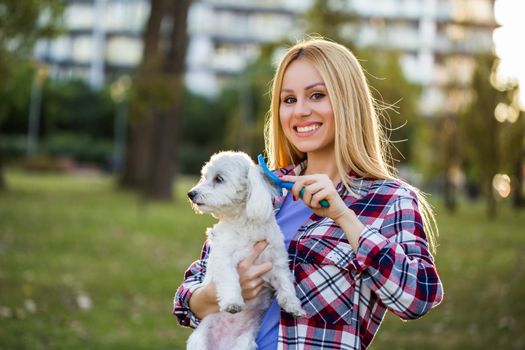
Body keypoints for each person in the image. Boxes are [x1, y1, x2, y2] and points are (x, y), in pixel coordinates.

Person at [173, 37, 443, 350]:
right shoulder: (264, 189)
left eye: (316, 95)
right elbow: (188, 295)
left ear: (346, 101)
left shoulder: (390, 200)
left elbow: (418, 298)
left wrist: (344, 216)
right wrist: (211, 296)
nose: (300, 111)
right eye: (288, 100)